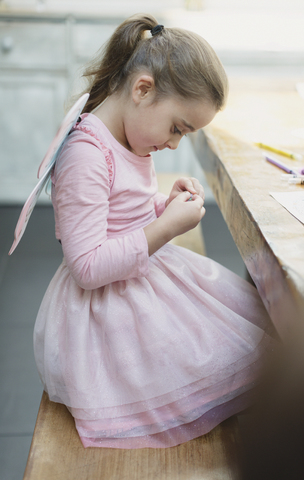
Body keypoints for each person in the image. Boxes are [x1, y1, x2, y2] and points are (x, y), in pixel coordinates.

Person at [34, 13, 274, 449]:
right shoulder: (86, 156)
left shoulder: (130, 134)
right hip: (104, 310)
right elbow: (87, 267)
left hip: (143, 277)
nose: (175, 144)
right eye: (178, 128)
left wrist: (163, 205)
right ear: (142, 90)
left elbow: (124, 212)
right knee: (225, 359)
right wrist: (165, 228)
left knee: (252, 332)